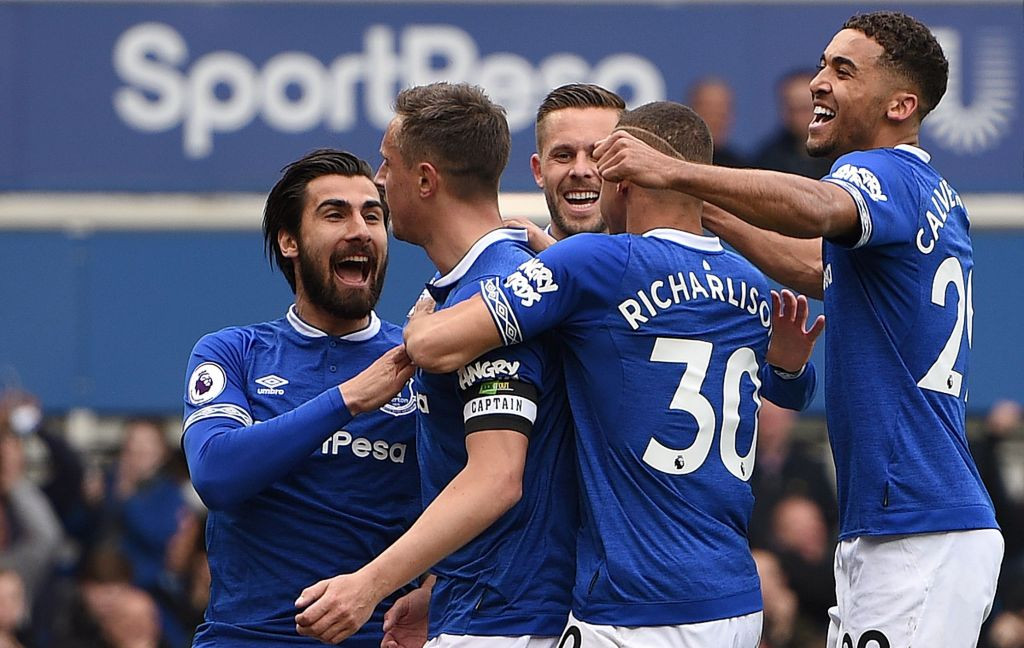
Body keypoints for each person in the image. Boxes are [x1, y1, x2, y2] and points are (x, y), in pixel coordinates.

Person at [592, 11, 1002, 647]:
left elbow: (815, 207)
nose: (819, 81)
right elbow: (815, 268)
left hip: (915, 525)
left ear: (900, 105)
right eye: (821, 65)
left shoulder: (884, 171)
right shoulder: (928, 192)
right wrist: (708, 211)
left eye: (844, 70)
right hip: (908, 521)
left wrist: (674, 173)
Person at [403, 101, 822, 646]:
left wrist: (422, 318)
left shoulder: (595, 265)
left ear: (622, 181)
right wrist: (790, 366)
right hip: (735, 599)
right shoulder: (748, 280)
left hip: (637, 603)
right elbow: (792, 389)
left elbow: (433, 346)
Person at [294, 82, 576, 648]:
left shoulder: (497, 295)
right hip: (480, 606)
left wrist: (368, 585)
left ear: (425, 180)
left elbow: (497, 478)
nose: (379, 178)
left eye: (388, 163)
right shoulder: (469, 291)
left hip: (506, 623)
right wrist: (436, 585)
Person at [181, 148, 420, 647]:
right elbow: (216, 475)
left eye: (372, 215)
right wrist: (348, 399)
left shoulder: (419, 359)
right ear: (289, 241)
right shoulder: (234, 351)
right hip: (246, 638)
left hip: (380, 637)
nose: (360, 230)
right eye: (335, 214)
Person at [751, 69, 832, 179]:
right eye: (793, 110)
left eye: (806, 108)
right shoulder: (768, 159)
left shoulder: (844, 156)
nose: (800, 117)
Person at [687, 77, 748, 168]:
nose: (715, 120)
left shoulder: (741, 167)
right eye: (708, 111)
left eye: (721, 114)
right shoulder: (673, 163)